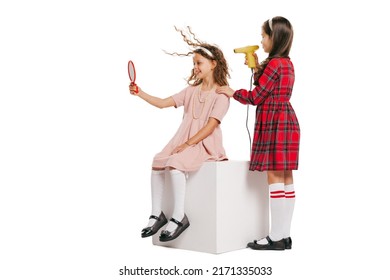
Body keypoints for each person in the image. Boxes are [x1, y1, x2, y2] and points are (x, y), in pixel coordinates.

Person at [129, 27, 230, 242]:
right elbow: (164, 103)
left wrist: (188, 144)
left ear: (213, 64)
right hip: (182, 138)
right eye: (193, 63)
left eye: (199, 63)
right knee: (158, 160)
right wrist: (140, 93)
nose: (195, 67)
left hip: (203, 143)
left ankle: (179, 215)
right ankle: (157, 214)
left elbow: (211, 126)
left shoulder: (221, 94)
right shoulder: (191, 91)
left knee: (175, 163)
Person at [216, 16, 300, 250]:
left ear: (274, 38)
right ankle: (284, 236)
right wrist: (255, 67)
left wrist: (233, 92)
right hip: (287, 120)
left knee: (274, 177)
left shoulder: (274, 65)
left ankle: (275, 237)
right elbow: (268, 88)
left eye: (263, 36)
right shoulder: (287, 63)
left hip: (274, 122)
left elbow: (256, 97)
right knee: (286, 177)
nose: (261, 41)